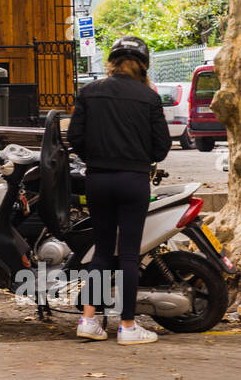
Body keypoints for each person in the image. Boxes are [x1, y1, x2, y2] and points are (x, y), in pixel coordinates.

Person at [67, 35, 171, 346]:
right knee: (128, 253)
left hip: (97, 180)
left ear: (112, 62)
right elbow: (162, 147)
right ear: (143, 64)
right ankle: (127, 326)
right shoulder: (149, 98)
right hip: (133, 180)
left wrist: (95, 159)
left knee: (101, 249)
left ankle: (89, 319)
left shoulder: (89, 92)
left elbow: (75, 137)